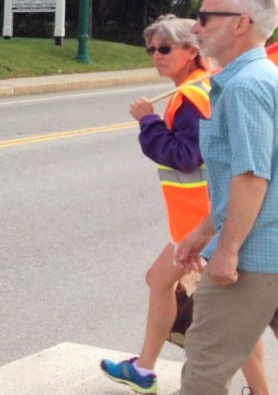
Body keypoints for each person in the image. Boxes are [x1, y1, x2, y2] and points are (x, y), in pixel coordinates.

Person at [100, 14, 268, 395]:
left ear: (191, 51)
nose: (155, 55)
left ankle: (257, 391)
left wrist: (148, 123)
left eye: (164, 48)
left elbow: (187, 157)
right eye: (151, 49)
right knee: (163, 283)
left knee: (231, 321)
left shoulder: (193, 96)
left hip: (208, 226)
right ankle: (144, 368)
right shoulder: (191, 91)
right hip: (196, 226)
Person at [176, 0, 278, 393]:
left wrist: (227, 249)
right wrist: (204, 233)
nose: (196, 29)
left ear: (240, 24)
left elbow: (252, 177)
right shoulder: (265, 77)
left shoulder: (244, 87)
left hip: (252, 259)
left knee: (204, 370)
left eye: (204, 18)